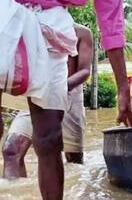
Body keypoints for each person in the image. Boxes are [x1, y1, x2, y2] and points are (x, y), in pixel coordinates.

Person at [0, 0, 132, 199]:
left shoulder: (81, 33)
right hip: (4, 12)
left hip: (52, 30)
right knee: (12, 148)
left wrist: (123, 86)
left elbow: (111, 23)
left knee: (50, 138)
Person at [2, 24, 93, 178]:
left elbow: (84, 71)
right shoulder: (28, 24)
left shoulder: (82, 33)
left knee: (73, 160)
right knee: (11, 150)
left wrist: (58, 87)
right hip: (35, 94)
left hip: (69, 96)